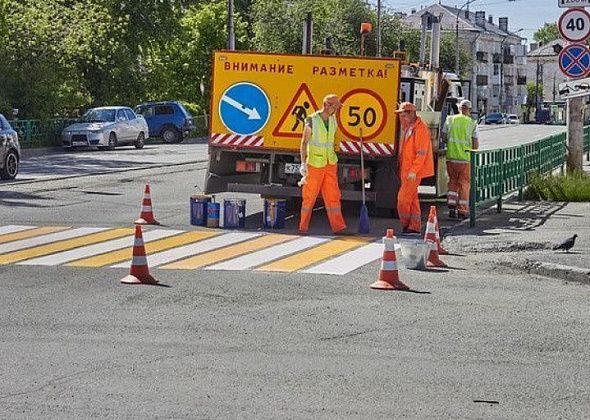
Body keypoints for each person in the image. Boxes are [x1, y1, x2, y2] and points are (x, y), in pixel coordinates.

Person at [298, 94, 347, 234]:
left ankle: (339, 227)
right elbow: (304, 143)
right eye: (335, 107)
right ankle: (303, 227)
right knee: (309, 198)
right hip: (315, 164)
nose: (337, 110)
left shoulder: (333, 120)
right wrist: (303, 163)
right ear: (327, 105)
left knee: (333, 197)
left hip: (330, 164)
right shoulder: (312, 120)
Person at [395, 101, 434, 234]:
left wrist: (413, 171)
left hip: (412, 172)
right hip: (407, 170)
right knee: (412, 199)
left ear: (412, 114)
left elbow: (421, 153)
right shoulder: (410, 128)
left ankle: (406, 224)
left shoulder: (420, 129)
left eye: (403, 115)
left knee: (403, 199)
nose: (401, 118)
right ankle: (414, 226)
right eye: (400, 115)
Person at [441, 99, 479, 219]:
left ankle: (452, 206)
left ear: (459, 108)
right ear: (470, 110)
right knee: (464, 184)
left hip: (451, 157)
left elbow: (443, 137)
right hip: (465, 158)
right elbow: (475, 143)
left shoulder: (450, 120)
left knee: (452, 181)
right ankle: (462, 211)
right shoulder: (472, 123)